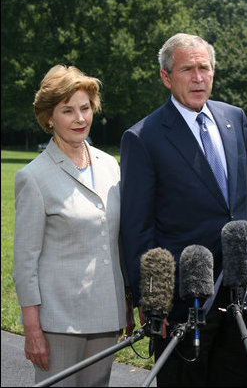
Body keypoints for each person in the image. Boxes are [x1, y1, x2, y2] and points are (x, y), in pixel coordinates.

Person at [120, 33, 247, 386]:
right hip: (182, 301)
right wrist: (150, 297)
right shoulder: (144, 137)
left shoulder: (235, 118)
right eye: (187, 69)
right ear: (166, 77)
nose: (198, 77)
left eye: (204, 68)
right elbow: (137, 227)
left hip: (242, 290)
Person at [13, 64, 135, 387]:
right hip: (58, 324)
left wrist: (126, 300)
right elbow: (25, 263)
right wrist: (32, 329)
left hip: (107, 318)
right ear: (49, 117)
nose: (80, 118)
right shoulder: (33, 178)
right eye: (68, 110)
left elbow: (118, 239)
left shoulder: (111, 166)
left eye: (85, 108)